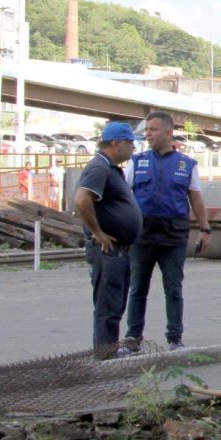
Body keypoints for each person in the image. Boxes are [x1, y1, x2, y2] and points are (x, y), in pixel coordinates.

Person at [122, 112, 211, 353]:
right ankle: (133, 340)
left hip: (173, 236)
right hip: (143, 235)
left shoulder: (186, 164)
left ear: (169, 133)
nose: (148, 134)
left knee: (173, 289)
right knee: (138, 288)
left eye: (153, 129)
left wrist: (205, 229)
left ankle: (175, 339)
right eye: (147, 130)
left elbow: (196, 200)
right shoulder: (136, 162)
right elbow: (124, 197)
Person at [73, 122, 142, 359]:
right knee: (107, 304)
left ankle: (110, 348)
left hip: (119, 250)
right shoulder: (99, 167)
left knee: (115, 303)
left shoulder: (111, 168)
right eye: (131, 143)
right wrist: (98, 232)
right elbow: (82, 200)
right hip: (107, 250)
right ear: (116, 143)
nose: (134, 148)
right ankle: (105, 355)